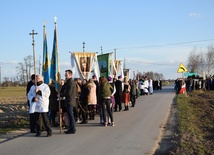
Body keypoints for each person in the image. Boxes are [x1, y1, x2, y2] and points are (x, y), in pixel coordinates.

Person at [60, 70, 77, 134]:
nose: (65, 76)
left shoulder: (70, 82)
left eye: (66, 74)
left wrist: (61, 95)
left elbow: (68, 93)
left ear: (70, 75)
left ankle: (72, 128)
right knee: (70, 115)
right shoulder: (69, 82)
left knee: (70, 115)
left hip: (70, 101)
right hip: (70, 101)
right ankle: (72, 128)